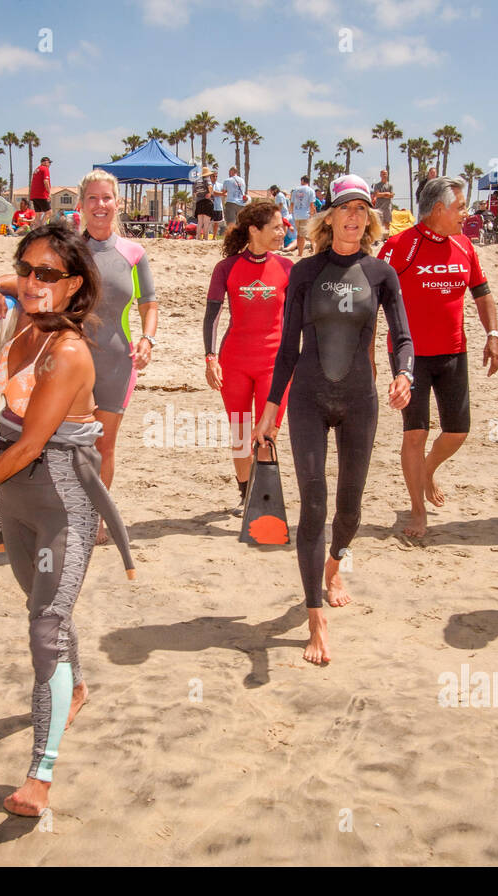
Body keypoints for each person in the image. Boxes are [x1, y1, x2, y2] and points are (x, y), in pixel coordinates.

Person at [0, 219, 134, 816]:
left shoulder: (69, 352)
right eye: (25, 268)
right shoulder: (23, 315)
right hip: (14, 500)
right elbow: (10, 286)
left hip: (61, 502)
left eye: (47, 274)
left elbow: (26, 447)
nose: (32, 281)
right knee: (39, 606)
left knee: (45, 626)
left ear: (75, 285)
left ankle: (40, 777)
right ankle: (76, 686)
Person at [251, 174, 413, 664]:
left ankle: (336, 562)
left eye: (361, 209)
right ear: (330, 216)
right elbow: (287, 349)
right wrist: (272, 409)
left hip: (360, 400)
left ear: (369, 219)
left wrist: (404, 373)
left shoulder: (381, 274)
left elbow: (402, 338)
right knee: (314, 507)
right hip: (308, 400)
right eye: (345, 208)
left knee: (350, 508)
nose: (353, 217)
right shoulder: (305, 272)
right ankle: (315, 615)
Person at [0, 169, 159, 545]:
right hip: (67, 364)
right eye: (92, 199)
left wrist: (148, 339)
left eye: (107, 198)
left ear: (116, 203)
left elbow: (149, 304)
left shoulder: (134, 253)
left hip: (117, 365)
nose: (100, 205)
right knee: (46, 439)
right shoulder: (69, 250)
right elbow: (29, 279)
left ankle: (93, 519)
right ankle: (43, 513)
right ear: (83, 205)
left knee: (102, 446)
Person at [378, 176, 498, 538]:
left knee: (458, 431)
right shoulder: (400, 246)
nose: (466, 214)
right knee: (415, 433)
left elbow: (482, 294)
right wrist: (366, 353)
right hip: (409, 356)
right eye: (460, 207)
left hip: (453, 351)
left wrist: (493, 334)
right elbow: (373, 300)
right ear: (438, 209)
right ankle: (417, 510)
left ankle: (427, 470)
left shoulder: (464, 246)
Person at [204, 200, 294, 509]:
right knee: (241, 433)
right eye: (277, 227)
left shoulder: (287, 268)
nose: (283, 231)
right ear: (255, 230)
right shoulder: (226, 268)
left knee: (267, 434)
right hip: (235, 362)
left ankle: (263, 499)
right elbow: (212, 316)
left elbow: (298, 321)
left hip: (275, 364)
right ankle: (246, 495)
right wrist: (210, 358)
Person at [289, 176, 316, 257]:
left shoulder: (295, 190)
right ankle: (313, 249)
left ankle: (300, 253)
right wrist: (312, 214)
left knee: (300, 234)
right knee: (309, 232)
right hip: (306, 214)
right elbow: (311, 204)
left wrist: (291, 212)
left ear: (302, 181)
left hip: (297, 214)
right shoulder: (310, 190)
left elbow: (292, 203)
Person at [30, 155, 53, 226]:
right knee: (49, 212)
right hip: (41, 195)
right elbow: (45, 181)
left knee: (38, 215)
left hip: (34, 195)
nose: (49, 165)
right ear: (45, 162)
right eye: (49, 163)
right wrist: (49, 193)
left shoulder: (36, 170)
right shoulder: (45, 169)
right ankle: (42, 228)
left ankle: (36, 231)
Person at [193, 167, 214, 240]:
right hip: (207, 202)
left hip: (199, 202)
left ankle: (198, 237)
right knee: (206, 222)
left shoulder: (196, 181)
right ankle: (205, 237)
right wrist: (210, 194)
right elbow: (210, 187)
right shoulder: (207, 179)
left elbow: (195, 193)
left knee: (200, 222)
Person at [210, 162, 226, 236]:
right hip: (210, 206)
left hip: (218, 206)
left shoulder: (220, 185)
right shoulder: (208, 184)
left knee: (216, 223)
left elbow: (225, 193)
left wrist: (220, 193)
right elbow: (213, 192)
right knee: (208, 222)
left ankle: (214, 236)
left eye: (216, 176)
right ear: (210, 176)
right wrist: (221, 193)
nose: (215, 177)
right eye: (213, 176)